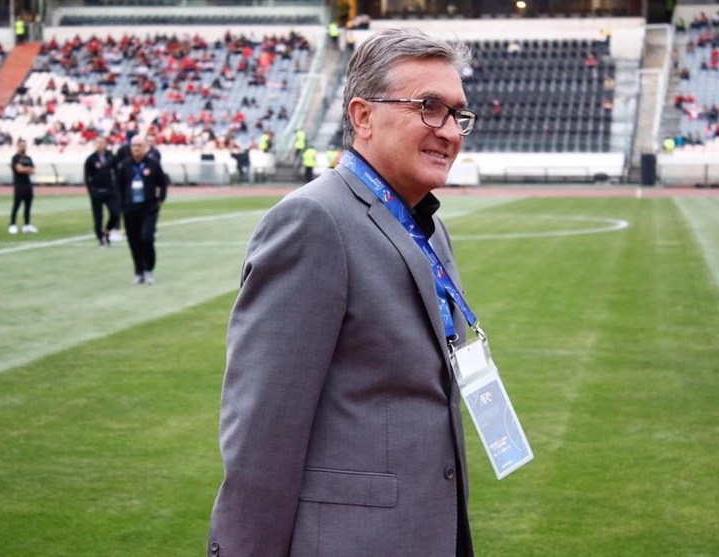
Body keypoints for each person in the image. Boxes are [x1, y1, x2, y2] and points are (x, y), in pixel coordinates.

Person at [209, 27, 478, 556]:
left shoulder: (428, 226)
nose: (449, 131)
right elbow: (263, 429)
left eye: (457, 114)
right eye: (429, 107)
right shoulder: (313, 220)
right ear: (363, 116)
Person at [115, 135, 167, 285]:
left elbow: (163, 183)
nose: (136, 148)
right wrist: (121, 205)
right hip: (130, 208)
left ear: (145, 147)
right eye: (134, 145)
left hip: (148, 208)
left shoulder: (153, 164)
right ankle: (139, 271)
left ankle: (149, 268)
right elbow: (118, 186)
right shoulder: (125, 166)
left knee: (147, 238)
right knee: (133, 241)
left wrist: (160, 199)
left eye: (139, 145)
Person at [84, 136, 120, 246]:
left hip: (110, 191)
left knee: (115, 212)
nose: (100, 145)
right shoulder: (91, 159)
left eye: (102, 143)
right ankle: (100, 238)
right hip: (97, 191)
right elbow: (87, 177)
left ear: (106, 144)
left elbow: (117, 172)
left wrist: (116, 187)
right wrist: (91, 191)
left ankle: (107, 230)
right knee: (98, 216)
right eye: (98, 143)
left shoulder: (111, 157)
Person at [9, 139, 37, 234]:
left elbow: (33, 170)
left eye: (24, 145)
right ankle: (12, 224)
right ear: (18, 146)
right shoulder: (15, 158)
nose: (23, 147)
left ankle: (27, 225)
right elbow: (19, 169)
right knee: (17, 205)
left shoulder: (29, 158)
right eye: (21, 145)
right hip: (19, 185)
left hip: (28, 184)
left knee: (28, 205)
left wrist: (25, 169)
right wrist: (27, 169)